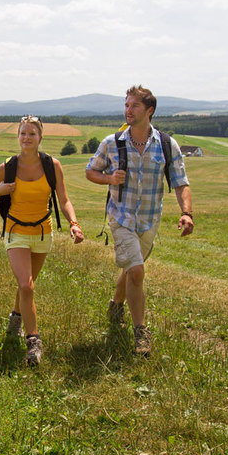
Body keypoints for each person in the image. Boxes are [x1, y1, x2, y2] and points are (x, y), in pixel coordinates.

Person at [85, 85, 194, 356]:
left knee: (131, 268)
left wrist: (186, 212)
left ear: (149, 111)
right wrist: (109, 178)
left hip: (149, 221)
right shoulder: (112, 143)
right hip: (121, 218)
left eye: (134, 106)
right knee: (136, 271)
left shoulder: (167, 145)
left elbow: (180, 182)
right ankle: (140, 333)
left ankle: (116, 304)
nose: (128, 110)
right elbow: (90, 171)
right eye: (126, 105)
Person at [0, 115, 84, 366]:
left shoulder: (52, 166)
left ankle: (15, 319)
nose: (27, 138)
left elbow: (64, 199)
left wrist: (74, 224)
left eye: (32, 134)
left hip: (43, 232)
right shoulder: (7, 166)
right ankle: (34, 343)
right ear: (17, 136)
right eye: (23, 133)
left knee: (26, 286)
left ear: (41, 137)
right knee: (27, 286)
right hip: (15, 231)